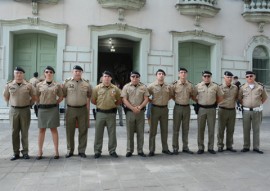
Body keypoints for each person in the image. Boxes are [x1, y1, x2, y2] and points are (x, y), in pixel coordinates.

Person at [3, 67, 36, 160]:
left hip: (25, 110)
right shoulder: (9, 85)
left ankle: (25, 152)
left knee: (24, 132)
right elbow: (6, 96)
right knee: (14, 132)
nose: (19, 74)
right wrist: (12, 103)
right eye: (17, 73)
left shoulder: (28, 85)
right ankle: (15, 152)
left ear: (23, 74)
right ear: (14, 74)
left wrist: (30, 104)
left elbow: (34, 96)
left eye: (21, 73)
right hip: (14, 111)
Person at [62, 65, 92, 158]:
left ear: (81, 73)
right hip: (70, 109)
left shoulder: (86, 84)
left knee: (83, 130)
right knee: (69, 130)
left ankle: (82, 150)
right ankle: (70, 150)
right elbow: (63, 94)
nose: (77, 73)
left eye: (79, 71)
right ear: (72, 72)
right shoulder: (66, 83)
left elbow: (89, 95)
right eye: (76, 71)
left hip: (83, 109)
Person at [91, 71, 121, 158]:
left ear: (111, 78)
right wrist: (101, 105)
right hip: (100, 113)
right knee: (98, 133)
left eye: (108, 76)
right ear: (102, 78)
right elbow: (93, 100)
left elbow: (119, 100)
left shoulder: (115, 89)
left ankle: (112, 151)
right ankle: (97, 151)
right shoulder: (96, 88)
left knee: (112, 134)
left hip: (111, 114)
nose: (107, 78)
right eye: (105, 76)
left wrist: (112, 105)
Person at [35, 66, 63, 160]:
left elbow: (61, 97)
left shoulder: (57, 85)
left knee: (53, 130)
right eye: (47, 72)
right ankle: (39, 151)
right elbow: (36, 97)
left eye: (51, 72)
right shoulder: (39, 85)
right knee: (41, 130)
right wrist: (42, 102)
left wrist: (55, 103)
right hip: (42, 109)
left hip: (52, 109)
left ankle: (56, 151)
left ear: (53, 74)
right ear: (44, 73)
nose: (49, 73)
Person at [193, 71, 223, 154]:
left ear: (211, 77)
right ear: (202, 77)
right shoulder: (198, 86)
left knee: (211, 129)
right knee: (200, 129)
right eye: (205, 76)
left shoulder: (215, 86)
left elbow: (221, 96)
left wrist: (216, 103)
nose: (207, 78)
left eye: (208, 76)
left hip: (211, 109)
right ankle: (200, 147)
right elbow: (193, 96)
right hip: (201, 109)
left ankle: (211, 147)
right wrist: (198, 101)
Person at [238, 71, 268, 154]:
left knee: (256, 129)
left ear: (254, 77)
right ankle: (246, 146)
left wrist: (257, 104)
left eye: (251, 76)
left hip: (256, 111)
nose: (249, 78)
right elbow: (240, 98)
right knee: (246, 129)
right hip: (246, 112)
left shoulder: (260, 87)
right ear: (245, 78)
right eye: (247, 76)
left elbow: (265, 98)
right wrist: (245, 104)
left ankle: (256, 147)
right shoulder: (242, 87)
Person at [121, 71, 149, 157]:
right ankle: (129, 150)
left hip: (140, 112)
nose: (135, 78)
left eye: (137, 76)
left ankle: (140, 150)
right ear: (130, 77)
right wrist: (132, 108)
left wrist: (140, 107)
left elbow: (146, 99)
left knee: (140, 132)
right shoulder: (126, 87)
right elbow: (124, 99)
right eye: (133, 76)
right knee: (130, 132)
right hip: (130, 112)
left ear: (139, 78)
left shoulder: (143, 87)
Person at [147, 69, 173, 156]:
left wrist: (165, 100)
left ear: (164, 76)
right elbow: (146, 96)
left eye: (162, 74)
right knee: (153, 130)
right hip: (155, 109)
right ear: (156, 75)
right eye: (159, 74)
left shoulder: (168, 86)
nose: (161, 75)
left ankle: (165, 149)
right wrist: (152, 100)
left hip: (165, 109)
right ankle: (151, 150)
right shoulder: (151, 86)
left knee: (164, 130)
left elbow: (171, 95)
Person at [171, 67, 195, 155]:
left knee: (186, 128)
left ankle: (185, 147)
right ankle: (175, 148)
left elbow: (192, 95)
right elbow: (172, 95)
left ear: (187, 74)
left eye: (185, 72)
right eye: (181, 72)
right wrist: (178, 101)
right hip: (177, 107)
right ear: (178, 74)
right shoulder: (175, 84)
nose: (183, 74)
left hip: (186, 108)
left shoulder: (190, 85)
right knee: (176, 128)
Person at [217, 71, 238, 153]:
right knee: (220, 129)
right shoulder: (220, 87)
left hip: (232, 110)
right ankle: (220, 145)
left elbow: (236, 97)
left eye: (230, 77)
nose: (229, 79)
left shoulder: (235, 88)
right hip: (222, 110)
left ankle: (229, 146)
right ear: (224, 78)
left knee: (231, 129)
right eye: (228, 77)